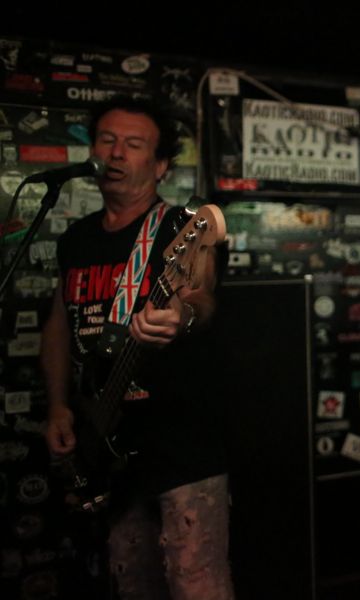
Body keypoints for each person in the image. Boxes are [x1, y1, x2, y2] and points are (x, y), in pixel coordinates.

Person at [41, 96, 234, 600]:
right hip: (106, 440)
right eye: (107, 140)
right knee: (131, 584)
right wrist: (59, 406)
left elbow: (200, 296)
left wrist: (178, 318)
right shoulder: (76, 238)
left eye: (133, 144)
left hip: (180, 444)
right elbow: (58, 325)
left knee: (197, 584)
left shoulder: (179, 229)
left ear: (161, 164)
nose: (116, 152)